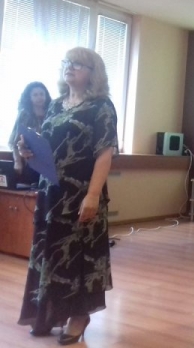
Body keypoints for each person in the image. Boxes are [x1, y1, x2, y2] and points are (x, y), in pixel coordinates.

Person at [17, 47, 118, 345]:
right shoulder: (55, 105)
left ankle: (78, 316)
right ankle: (49, 313)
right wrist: (28, 151)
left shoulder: (101, 106)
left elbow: (105, 154)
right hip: (52, 192)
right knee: (51, 252)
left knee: (79, 256)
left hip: (82, 193)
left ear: (93, 73)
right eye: (67, 62)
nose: (69, 67)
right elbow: (48, 147)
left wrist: (93, 195)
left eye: (78, 64)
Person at [8, 81, 52, 185]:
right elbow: (15, 142)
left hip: (50, 162)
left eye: (41, 94)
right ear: (29, 98)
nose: (39, 97)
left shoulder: (52, 112)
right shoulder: (24, 115)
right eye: (35, 95)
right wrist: (17, 162)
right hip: (30, 162)